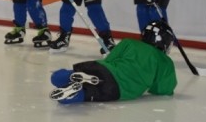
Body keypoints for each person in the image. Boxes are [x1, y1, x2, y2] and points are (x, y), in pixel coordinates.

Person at [49, 20, 177, 104]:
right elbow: (164, 88)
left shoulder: (129, 42)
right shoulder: (165, 61)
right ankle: (77, 93)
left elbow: (110, 59)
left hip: (105, 69)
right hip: (120, 89)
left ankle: (68, 76)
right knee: (90, 93)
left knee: (57, 77)